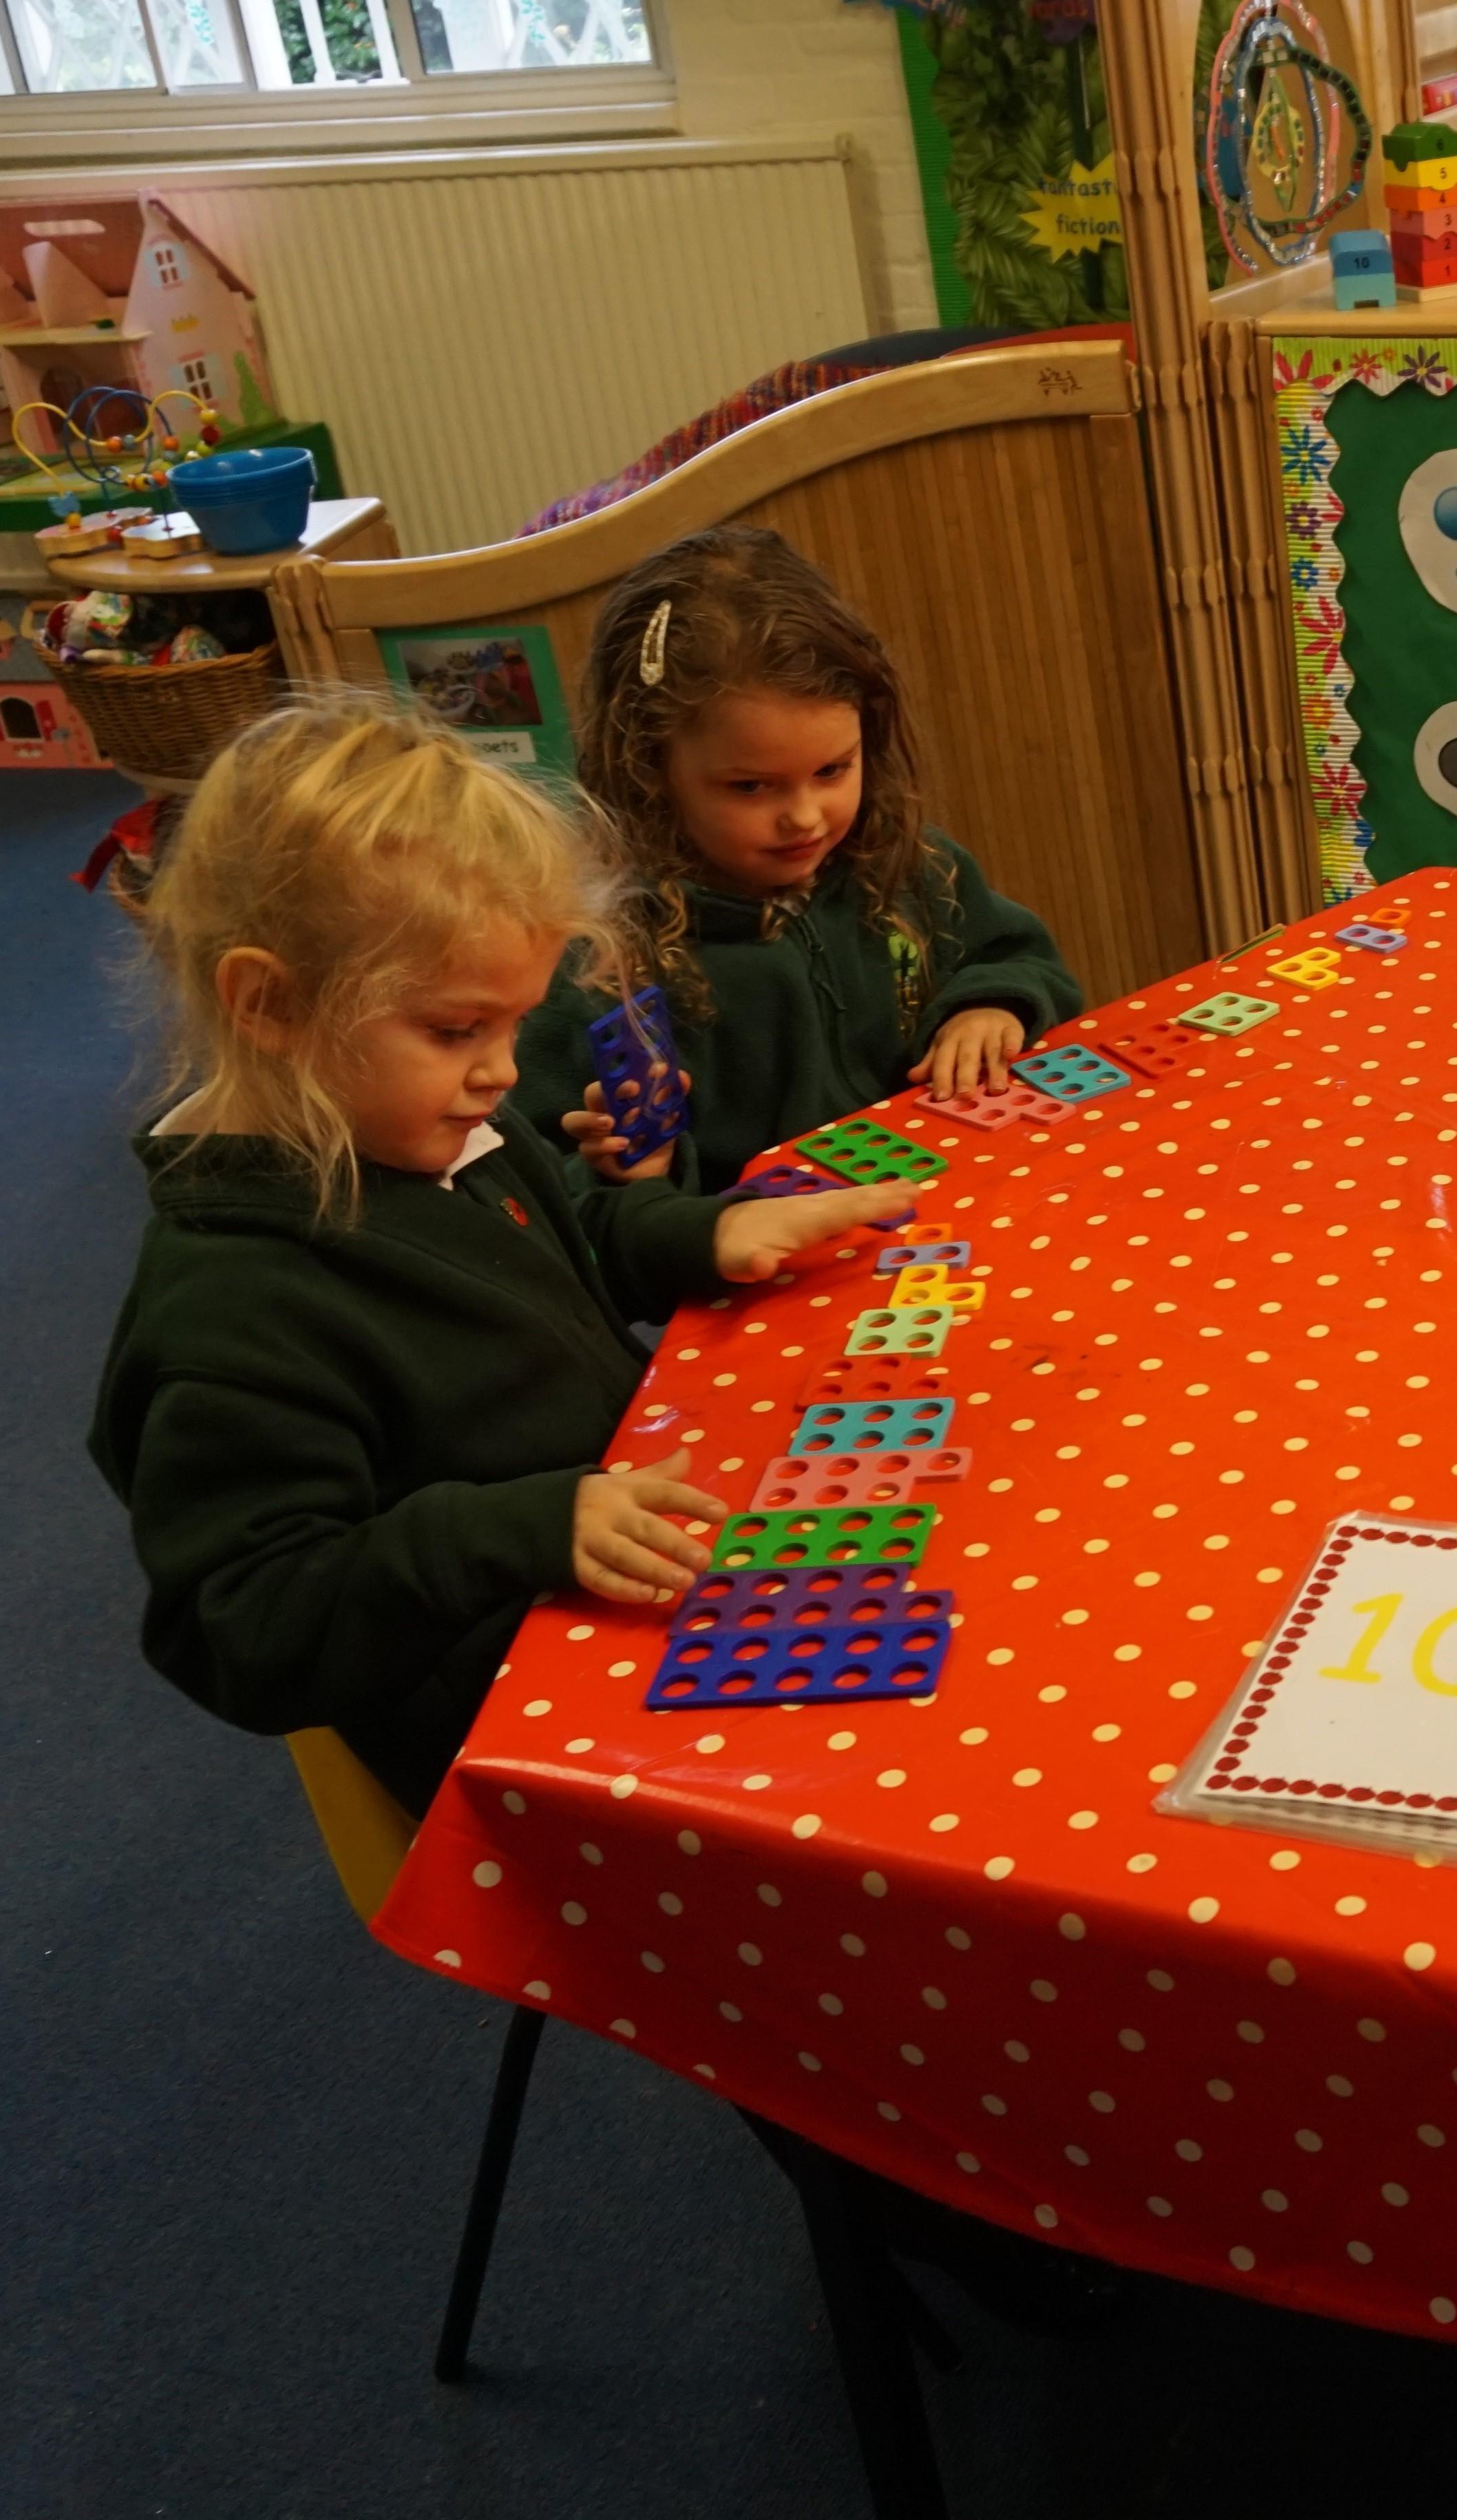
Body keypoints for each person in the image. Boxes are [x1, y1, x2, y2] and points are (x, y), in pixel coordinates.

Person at [91, 694, 912, 1814]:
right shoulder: (231, 1314)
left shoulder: (436, 1132)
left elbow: (558, 1260)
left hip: (610, 1553)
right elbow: (244, 1628)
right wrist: (518, 1531)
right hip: (512, 1714)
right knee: (873, 1787)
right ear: (270, 1003)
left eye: (514, 1024)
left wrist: (702, 1229)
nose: (503, 1072)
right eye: (455, 1030)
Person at [516, 523, 1082, 1189]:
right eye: (751, 787)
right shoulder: (595, 959)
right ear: (649, 770)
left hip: (949, 1197)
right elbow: (534, 1173)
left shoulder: (906, 863)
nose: (805, 817)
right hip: (760, 1241)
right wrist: (618, 1172)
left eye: (833, 770)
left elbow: (1018, 959)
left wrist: (989, 1006)